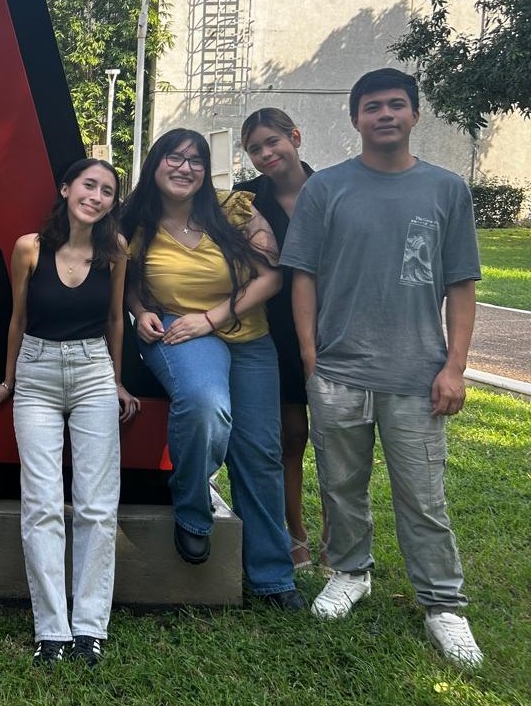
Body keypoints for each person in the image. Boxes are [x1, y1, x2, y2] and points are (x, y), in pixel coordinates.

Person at [281, 68, 483, 667]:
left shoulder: (446, 189)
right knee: (341, 485)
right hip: (339, 370)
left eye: (397, 105)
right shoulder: (328, 189)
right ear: (355, 119)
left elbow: (461, 284)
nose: (385, 115)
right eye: (373, 107)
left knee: (422, 497)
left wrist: (456, 366)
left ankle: (443, 604)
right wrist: (311, 356)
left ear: (415, 114)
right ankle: (350, 571)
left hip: (417, 375)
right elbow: (303, 276)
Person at [119, 128, 304, 610]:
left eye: (195, 160)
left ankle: (271, 575)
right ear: (155, 165)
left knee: (260, 451)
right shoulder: (136, 221)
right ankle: (193, 508)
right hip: (176, 330)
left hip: (244, 332)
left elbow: (271, 275)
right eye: (174, 159)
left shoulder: (235, 210)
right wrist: (140, 312)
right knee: (205, 404)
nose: (185, 168)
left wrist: (214, 317)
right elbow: (124, 280)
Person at [0, 159, 139, 666]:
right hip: (37, 374)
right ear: (66, 188)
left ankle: (89, 628)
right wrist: (8, 380)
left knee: (95, 504)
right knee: (42, 502)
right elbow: (17, 319)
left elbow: (115, 319)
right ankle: (52, 630)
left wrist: (115, 379)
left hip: (92, 373)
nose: (97, 195)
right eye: (89, 185)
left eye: (107, 191)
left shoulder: (115, 250)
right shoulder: (31, 248)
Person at [235, 108, 325, 568]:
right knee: (291, 435)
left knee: (336, 439)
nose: (266, 153)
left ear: (296, 135)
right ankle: (296, 532)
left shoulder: (333, 190)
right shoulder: (245, 199)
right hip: (273, 329)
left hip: (332, 328)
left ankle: (339, 536)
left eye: (273, 141)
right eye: (254, 148)